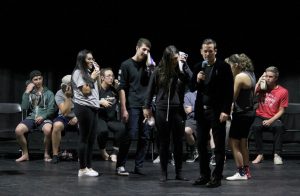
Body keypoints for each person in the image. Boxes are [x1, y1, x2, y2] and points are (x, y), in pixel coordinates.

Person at [143, 45, 193, 182]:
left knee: (178, 142)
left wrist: (185, 66)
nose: (175, 61)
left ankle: (179, 172)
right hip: (162, 110)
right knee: (164, 143)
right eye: (172, 59)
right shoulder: (159, 71)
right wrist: (146, 107)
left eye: (176, 58)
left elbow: (192, 81)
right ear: (167, 58)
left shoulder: (181, 70)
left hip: (177, 110)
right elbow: (150, 90)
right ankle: (163, 172)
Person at [192, 38, 234, 188]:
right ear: (201, 51)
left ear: (215, 51)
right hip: (201, 111)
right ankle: (204, 175)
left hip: (217, 111)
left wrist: (225, 111)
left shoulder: (223, 67)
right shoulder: (198, 66)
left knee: (218, 145)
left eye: (210, 51)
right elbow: (191, 87)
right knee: (201, 144)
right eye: (205, 51)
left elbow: (229, 92)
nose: (207, 53)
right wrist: (197, 79)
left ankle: (217, 177)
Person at [116, 38, 155, 176]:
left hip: (147, 106)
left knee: (145, 136)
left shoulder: (149, 66)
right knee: (130, 134)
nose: (145, 52)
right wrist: (123, 108)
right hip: (132, 105)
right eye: (144, 49)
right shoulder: (126, 64)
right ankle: (120, 165)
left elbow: (153, 84)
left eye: (148, 51)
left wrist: (150, 65)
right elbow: (121, 88)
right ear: (137, 48)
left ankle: (139, 166)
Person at [224, 53, 256, 181]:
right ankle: (246, 172)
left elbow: (232, 97)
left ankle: (241, 172)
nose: (229, 68)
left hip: (241, 114)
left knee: (233, 142)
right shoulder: (250, 74)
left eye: (230, 66)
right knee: (243, 143)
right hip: (249, 113)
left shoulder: (240, 77)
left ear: (236, 65)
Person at [15, 70, 56, 162]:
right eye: (35, 79)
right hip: (32, 118)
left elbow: (51, 109)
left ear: (42, 79)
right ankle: (25, 154)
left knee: (48, 130)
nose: (38, 81)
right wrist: (27, 91)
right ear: (31, 81)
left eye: (39, 78)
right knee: (18, 130)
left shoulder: (49, 93)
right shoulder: (29, 93)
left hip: (45, 118)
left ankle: (46, 154)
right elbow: (24, 107)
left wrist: (43, 116)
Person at [251, 66, 288, 165]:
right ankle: (260, 154)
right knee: (256, 126)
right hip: (260, 116)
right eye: (266, 76)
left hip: (273, 117)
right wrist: (259, 80)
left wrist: (271, 120)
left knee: (279, 127)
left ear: (276, 78)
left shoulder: (283, 91)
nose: (268, 78)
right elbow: (252, 94)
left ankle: (277, 154)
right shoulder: (262, 88)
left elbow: (282, 110)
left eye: (270, 77)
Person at [72, 49, 101, 177]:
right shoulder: (78, 72)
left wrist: (97, 75)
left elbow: (97, 88)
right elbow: (85, 91)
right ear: (82, 60)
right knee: (84, 138)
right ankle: (82, 168)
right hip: (83, 107)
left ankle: (89, 167)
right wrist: (92, 77)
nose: (92, 61)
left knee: (91, 139)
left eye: (92, 58)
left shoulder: (89, 73)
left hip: (93, 107)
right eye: (89, 59)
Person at [97, 67, 126, 162]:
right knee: (103, 131)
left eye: (112, 76)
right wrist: (100, 102)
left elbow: (123, 98)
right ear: (102, 78)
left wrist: (119, 89)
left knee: (121, 128)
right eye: (108, 76)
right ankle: (103, 150)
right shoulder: (97, 90)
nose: (111, 78)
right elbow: (89, 102)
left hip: (111, 118)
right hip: (99, 118)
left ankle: (114, 152)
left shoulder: (114, 90)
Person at [51, 75, 78, 164]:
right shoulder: (59, 93)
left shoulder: (80, 91)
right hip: (64, 116)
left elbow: (84, 107)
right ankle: (55, 154)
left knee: (85, 125)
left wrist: (77, 117)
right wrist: (68, 97)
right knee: (56, 125)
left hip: (78, 116)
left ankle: (83, 154)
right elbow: (64, 112)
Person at [184, 90, 199, 163]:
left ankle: (214, 155)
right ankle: (194, 151)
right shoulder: (188, 95)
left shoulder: (208, 93)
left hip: (205, 118)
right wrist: (200, 107)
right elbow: (187, 111)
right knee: (186, 130)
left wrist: (192, 108)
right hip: (192, 119)